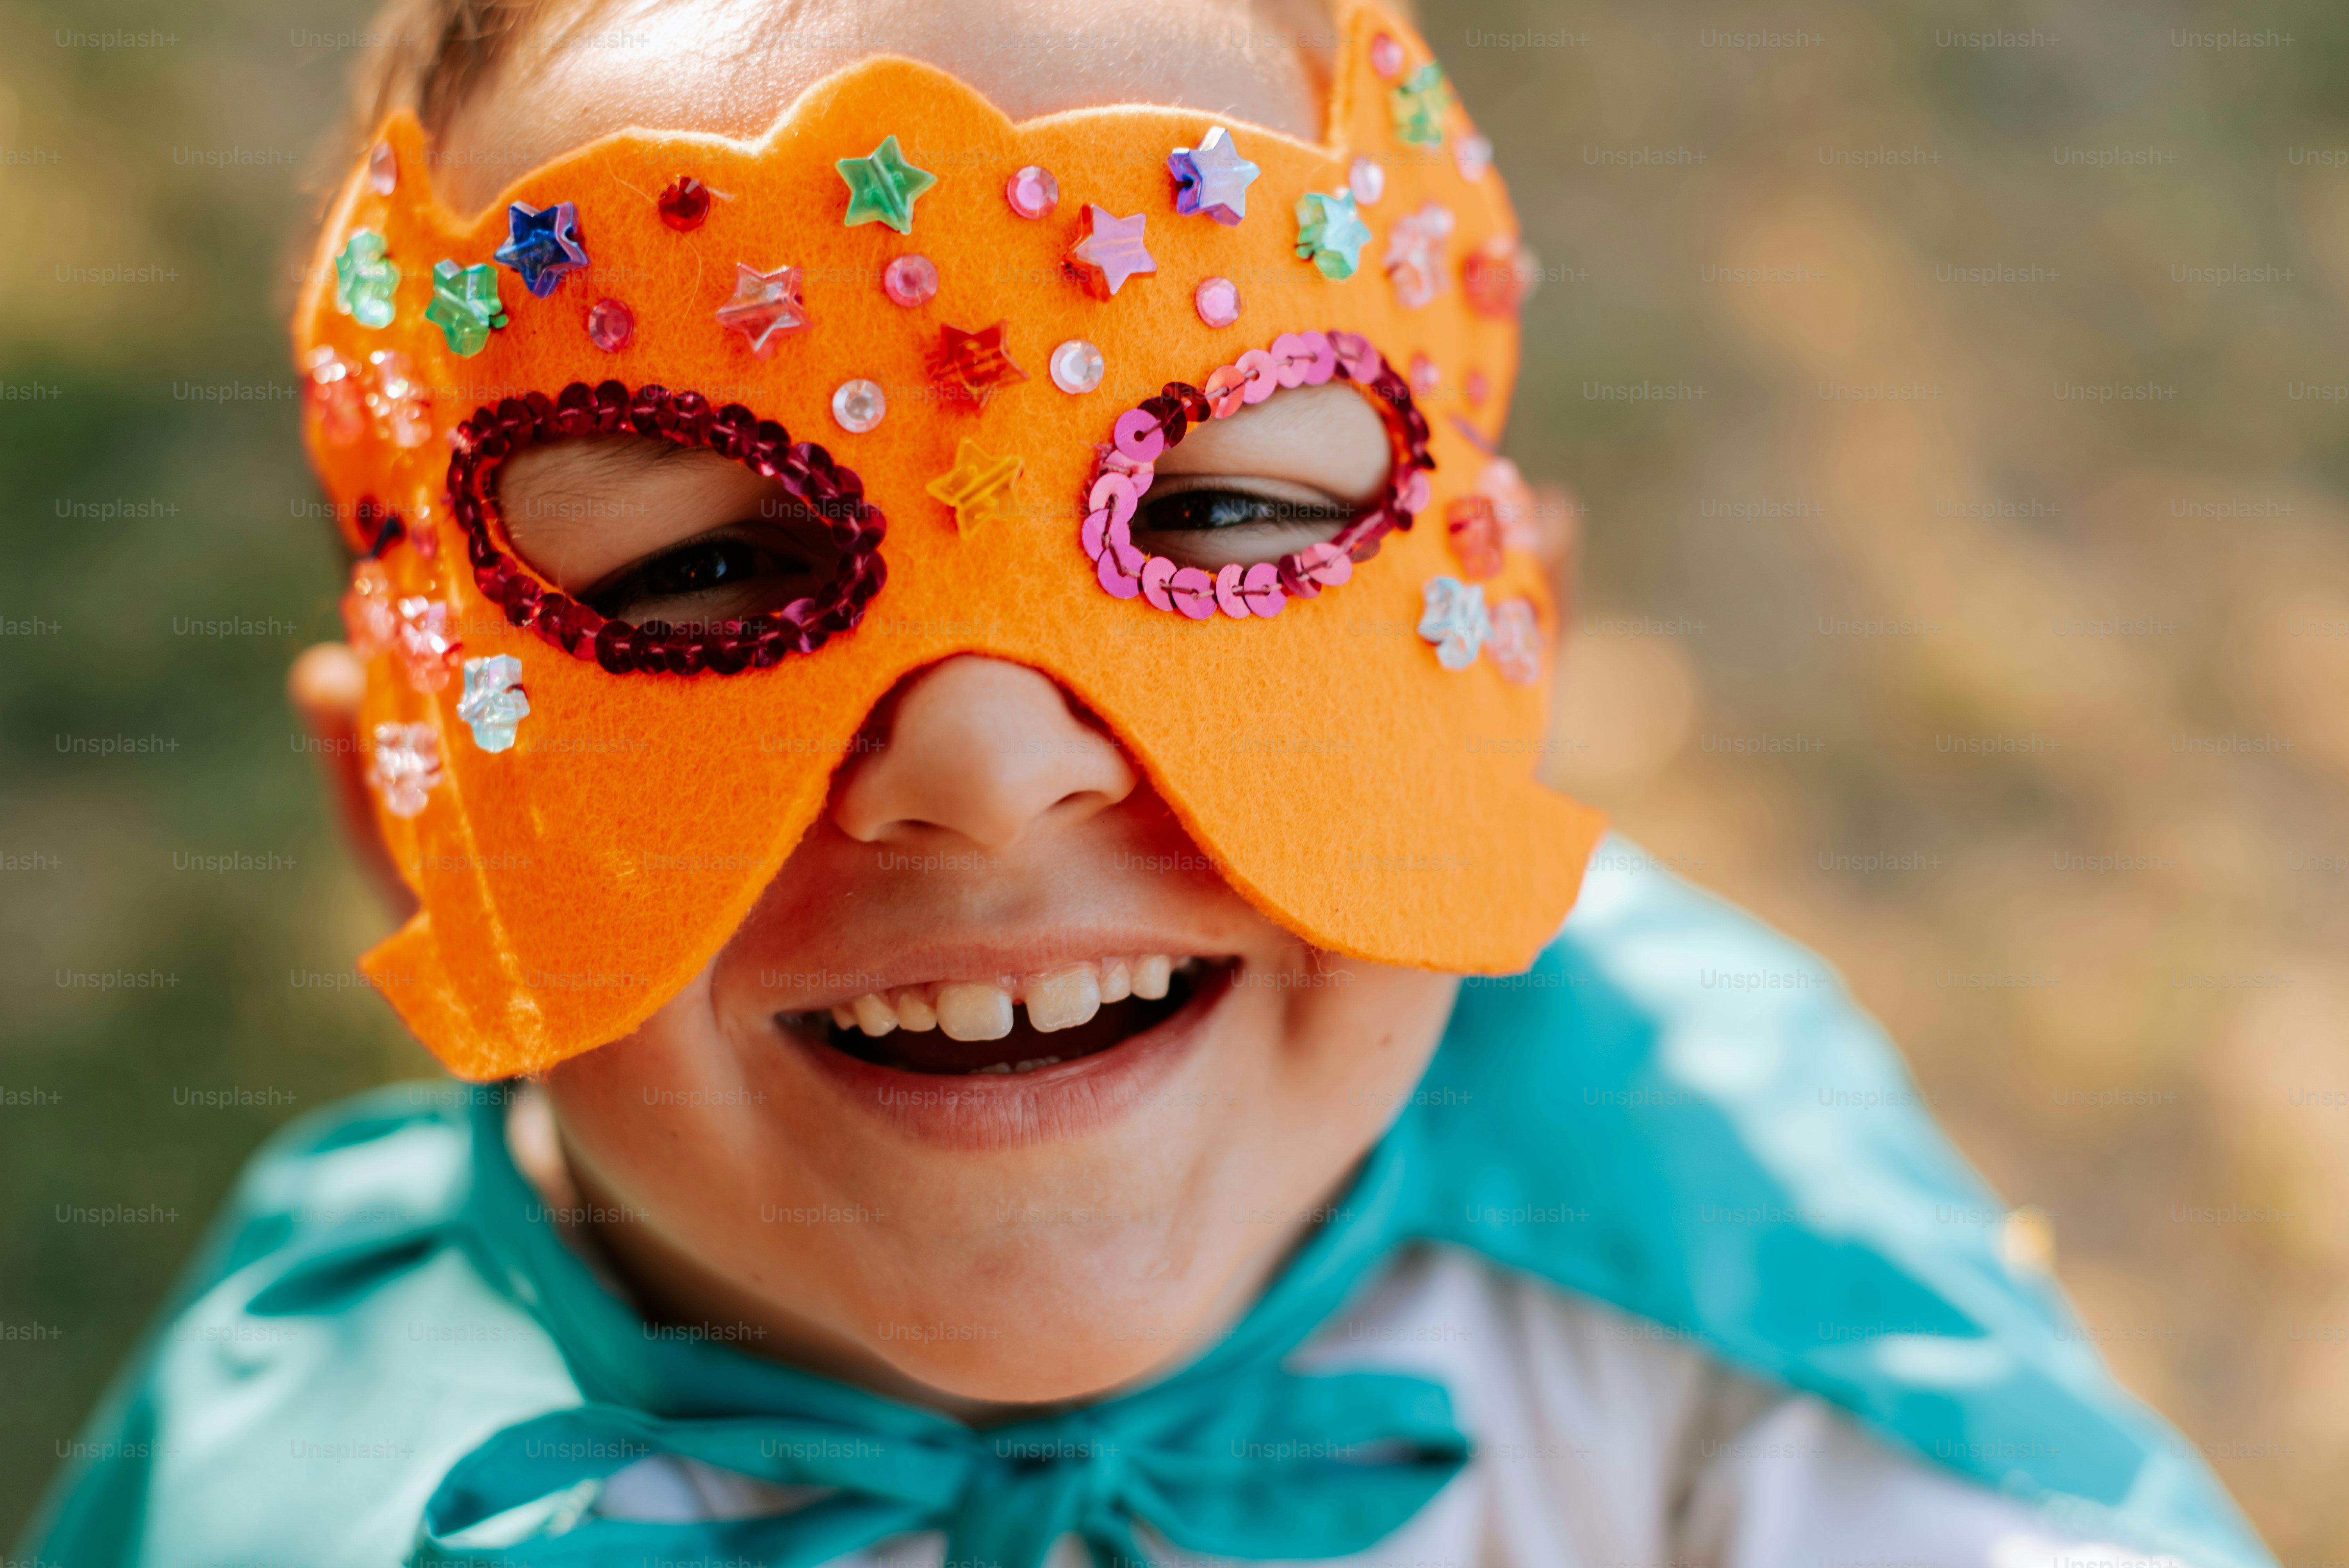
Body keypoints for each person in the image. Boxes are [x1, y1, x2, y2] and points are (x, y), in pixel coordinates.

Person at [19, 0, 2277, 1563]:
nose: (987, 762)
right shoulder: (331, 1500)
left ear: (1513, 669)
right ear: (404, 810)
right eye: (704, 575)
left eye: (1223, 515)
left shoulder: (1693, 1230)